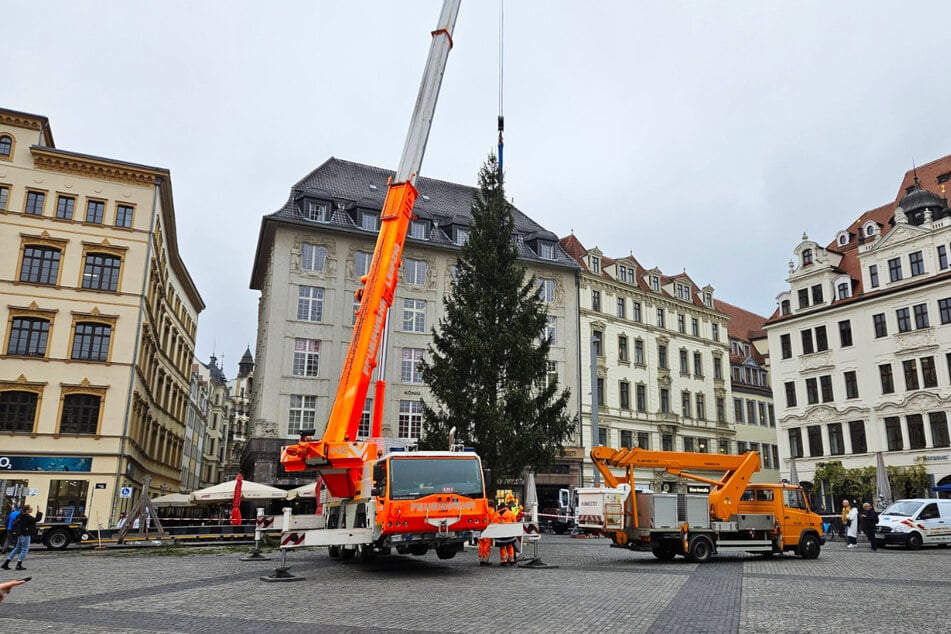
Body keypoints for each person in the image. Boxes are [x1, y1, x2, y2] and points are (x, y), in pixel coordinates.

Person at [1, 504, 41, 571]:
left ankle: (6, 563)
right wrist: (39, 512)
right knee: (25, 549)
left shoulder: (20, 515)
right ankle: (19, 564)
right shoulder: (26, 516)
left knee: (17, 548)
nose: (32, 510)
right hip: (25, 534)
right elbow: (36, 519)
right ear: (27, 510)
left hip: (20, 534)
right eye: (31, 509)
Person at [495, 501, 517, 566]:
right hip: (509, 533)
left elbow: (493, 523)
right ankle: (511, 560)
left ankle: (503, 560)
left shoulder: (496, 514)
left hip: (500, 534)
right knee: (510, 546)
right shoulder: (511, 513)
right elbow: (515, 522)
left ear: (500, 507)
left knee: (502, 547)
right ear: (505, 507)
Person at [478, 500, 497, 566]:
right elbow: (493, 521)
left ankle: (481, 559)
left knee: (481, 545)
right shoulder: (492, 511)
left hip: (481, 529)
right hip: (487, 529)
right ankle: (485, 560)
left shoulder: (484, 510)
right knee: (486, 545)